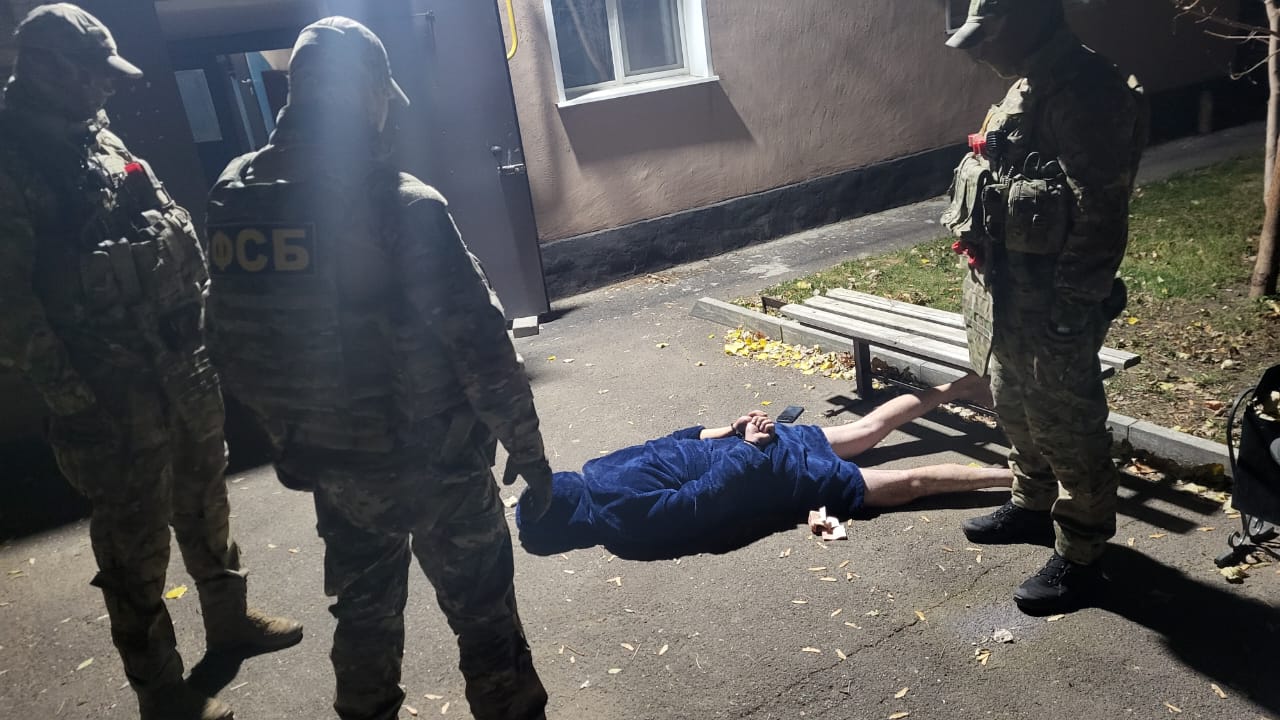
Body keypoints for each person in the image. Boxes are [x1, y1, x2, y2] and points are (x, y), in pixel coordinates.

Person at [204, 17, 552, 720]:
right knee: (486, 622)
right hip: (439, 467)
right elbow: (481, 346)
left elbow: (227, 338)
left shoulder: (239, 194)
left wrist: (295, 431)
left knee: (363, 619)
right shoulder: (403, 203)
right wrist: (529, 451)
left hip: (336, 466)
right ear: (364, 93)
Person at [0, 5, 303, 719]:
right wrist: (73, 398)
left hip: (180, 368)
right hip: (109, 393)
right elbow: (9, 304)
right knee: (134, 542)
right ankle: (160, 689)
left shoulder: (97, 138)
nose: (108, 86)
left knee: (206, 501)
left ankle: (230, 621)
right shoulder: (13, 162)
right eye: (93, 73)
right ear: (46, 70)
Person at [941, 0, 1148, 614]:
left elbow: (1100, 215)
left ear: (1029, 19)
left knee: (1067, 425)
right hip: (1009, 292)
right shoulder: (1029, 84)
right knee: (1013, 402)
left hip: (1055, 300)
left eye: (988, 36)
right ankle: (1031, 504)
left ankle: (1082, 555)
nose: (979, 53)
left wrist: (1072, 309)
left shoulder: (1088, 90)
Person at [516, 375, 1012, 555]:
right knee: (873, 433)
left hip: (776, 473)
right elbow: (677, 451)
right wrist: (735, 434)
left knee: (907, 480)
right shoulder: (601, 476)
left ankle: (1018, 474)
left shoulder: (615, 516)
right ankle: (965, 390)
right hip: (770, 451)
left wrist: (742, 441)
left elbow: (700, 492)